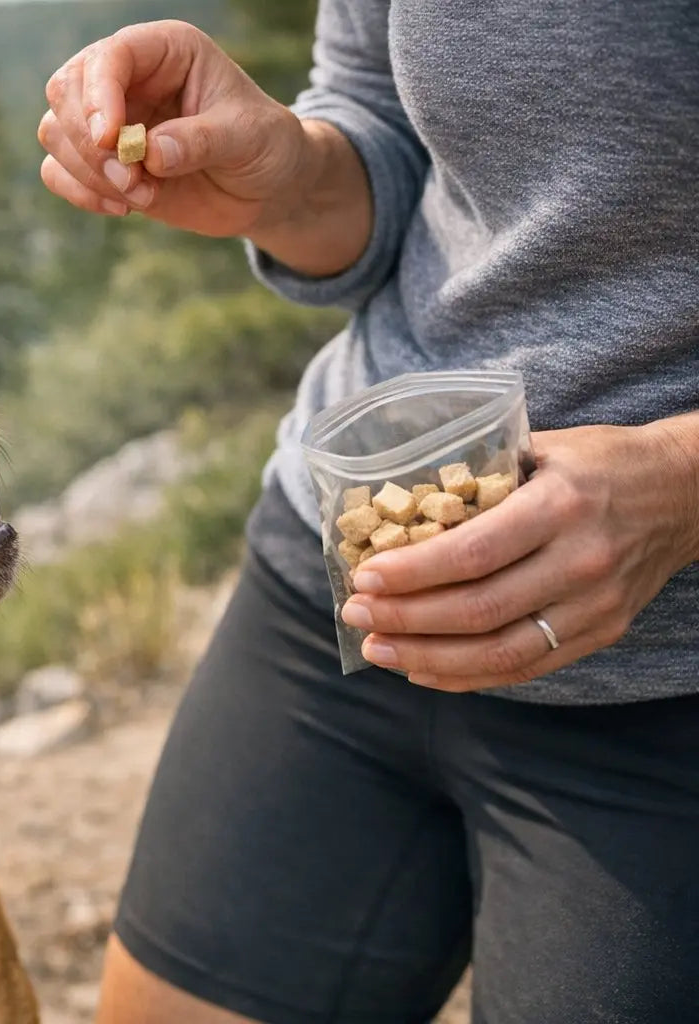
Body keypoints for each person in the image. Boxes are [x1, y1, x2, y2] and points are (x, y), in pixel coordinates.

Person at [38, 5, 699, 1023]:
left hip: (666, 690)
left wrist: (678, 476)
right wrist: (287, 175)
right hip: (339, 585)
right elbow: (383, 122)